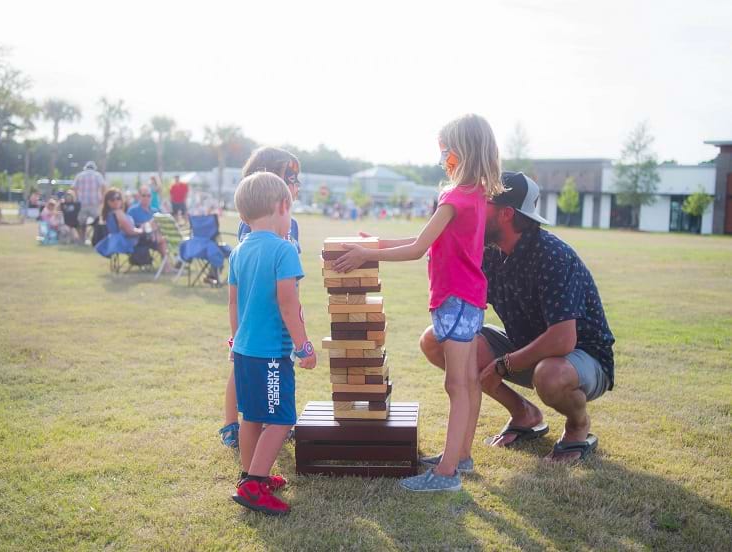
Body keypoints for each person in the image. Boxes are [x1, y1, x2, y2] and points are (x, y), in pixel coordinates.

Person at [333, 114, 504, 492]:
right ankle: (460, 456)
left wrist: (367, 253)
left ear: (460, 152)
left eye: (445, 149)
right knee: (467, 383)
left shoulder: (455, 196)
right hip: (467, 301)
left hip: (455, 301)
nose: (442, 156)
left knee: (457, 384)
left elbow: (417, 249)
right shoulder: (473, 196)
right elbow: (427, 238)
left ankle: (446, 474)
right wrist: (375, 244)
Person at [420, 172, 616, 462]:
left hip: (581, 357)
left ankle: (578, 427)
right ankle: (524, 414)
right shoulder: (488, 252)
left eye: (481, 204)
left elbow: (563, 339)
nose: (472, 211)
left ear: (506, 213)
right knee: (436, 340)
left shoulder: (553, 255)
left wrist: (503, 365)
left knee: (550, 374)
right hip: (526, 348)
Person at [228, 171, 315, 516]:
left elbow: (233, 303)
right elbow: (288, 303)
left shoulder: (238, 252)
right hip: (271, 358)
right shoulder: (284, 250)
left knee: (251, 416)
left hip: (244, 351)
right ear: (282, 206)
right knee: (280, 418)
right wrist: (303, 345)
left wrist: (236, 337)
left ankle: (251, 475)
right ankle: (254, 486)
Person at [219, 147, 303, 448]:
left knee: (266, 376)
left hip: (277, 317)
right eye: (290, 177)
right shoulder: (253, 223)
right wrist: (236, 332)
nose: (296, 184)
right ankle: (232, 424)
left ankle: (267, 422)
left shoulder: (289, 223)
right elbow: (245, 283)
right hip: (257, 319)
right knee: (243, 370)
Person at [126, 184, 170, 266]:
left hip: (154, 237)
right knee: (161, 235)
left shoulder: (154, 210)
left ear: (151, 197)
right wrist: (146, 226)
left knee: (162, 235)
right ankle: (168, 266)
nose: (146, 198)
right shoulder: (132, 210)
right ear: (139, 196)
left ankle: (168, 266)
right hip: (139, 238)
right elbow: (130, 227)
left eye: (149, 196)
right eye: (144, 195)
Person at [94, 188, 142, 258]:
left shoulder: (108, 213)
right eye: (112, 199)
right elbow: (129, 231)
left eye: (118, 198)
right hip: (127, 241)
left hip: (116, 240)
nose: (116, 201)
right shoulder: (118, 213)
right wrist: (142, 230)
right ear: (108, 202)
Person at [73, 161, 107, 245]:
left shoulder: (79, 175)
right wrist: (102, 198)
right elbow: (103, 186)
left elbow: (74, 188)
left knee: (82, 223)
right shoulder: (98, 175)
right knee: (96, 223)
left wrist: (77, 198)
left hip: (82, 204)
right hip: (94, 203)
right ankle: (95, 239)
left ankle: (82, 240)